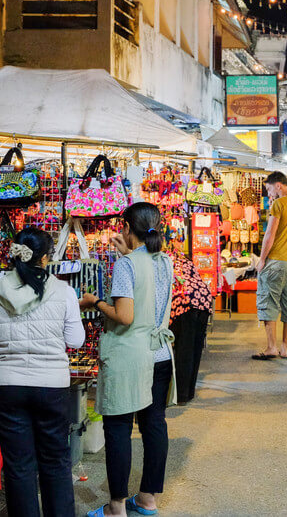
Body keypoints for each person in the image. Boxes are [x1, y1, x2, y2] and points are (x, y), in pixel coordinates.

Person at [0, 228, 84, 517]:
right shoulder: (64, 291)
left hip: (7, 386)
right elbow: (75, 340)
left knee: (19, 465)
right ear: (45, 258)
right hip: (51, 386)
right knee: (55, 460)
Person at [81, 202, 175, 517]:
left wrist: (95, 301)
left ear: (125, 227)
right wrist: (128, 254)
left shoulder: (126, 265)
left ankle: (116, 507)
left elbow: (124, 316)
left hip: (131, 356)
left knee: (119, 427)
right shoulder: (164, 260)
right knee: (154, 424)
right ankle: (147, 499)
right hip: (160, 353)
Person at [253, 171, 287, 360]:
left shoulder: (279, 204)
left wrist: (261, 260)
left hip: (276, 262)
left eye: (269, 189)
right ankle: (284, 348)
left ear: (278, 185)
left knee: (268, 303)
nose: (269, 194)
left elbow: (270, 234)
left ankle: (271, 348)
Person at [169, 250, 215, 405]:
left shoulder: (168, 260)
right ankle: (189, 392)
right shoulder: (185, 260)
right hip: (203, 299)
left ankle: (181, 395)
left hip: (184, 301)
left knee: (184, 350)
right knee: (195, 349)